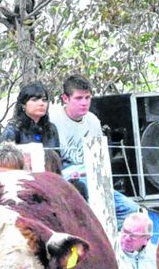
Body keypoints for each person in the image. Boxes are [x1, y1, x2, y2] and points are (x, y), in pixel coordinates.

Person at [52, 73, 140, 226]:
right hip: (66, 179)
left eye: (87, 98)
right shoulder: (53, 119)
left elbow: (99, 159)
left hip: (91, 177)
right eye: (79, 98)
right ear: (65, 98)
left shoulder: (93, 121)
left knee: (131, 210)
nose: (84, 103)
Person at [0, 82, 60, 150]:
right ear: (23, 105)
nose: (41, 103)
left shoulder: (51, 129)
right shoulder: (12, 131)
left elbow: (57, 155)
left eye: (44, 100)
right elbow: (4, 156)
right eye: (34, 100)